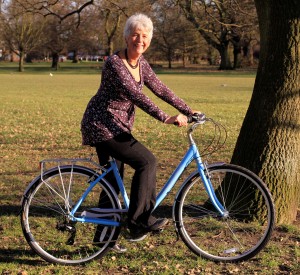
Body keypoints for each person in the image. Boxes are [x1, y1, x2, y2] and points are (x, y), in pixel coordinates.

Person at [81, 13, 197, 250]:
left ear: (150, 39)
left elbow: (159, 88)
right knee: (147, 162)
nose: (140, 40)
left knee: (112, 184)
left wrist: (188, 109)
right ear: (126, 37)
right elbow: (137, 96)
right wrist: (165, 117)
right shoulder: (114, 63)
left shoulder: (141, 63)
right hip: (102, 125)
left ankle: (104, 240)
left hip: (116, 126)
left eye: (145, 36)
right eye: (135, 35)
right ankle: (138, 222)